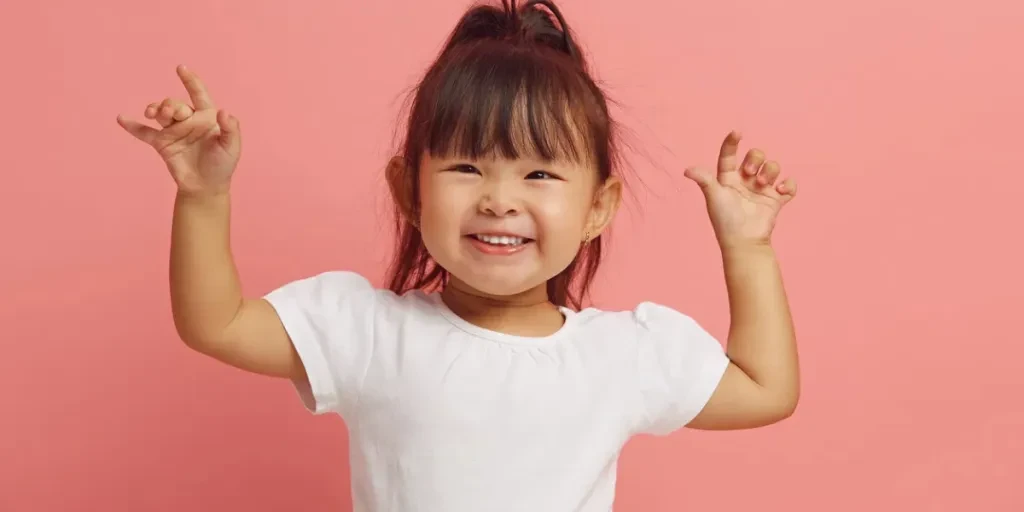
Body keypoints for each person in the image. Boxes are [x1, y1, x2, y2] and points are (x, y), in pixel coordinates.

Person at [116, 0, 799, 510]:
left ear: (597, 208)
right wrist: (204, 196)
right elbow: (217, 323)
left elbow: (767, 391)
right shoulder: (369, 332)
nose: (500, 199)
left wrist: (748, 246)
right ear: (407, 191)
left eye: (539, 174)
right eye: (468, 167)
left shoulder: (621, 356)